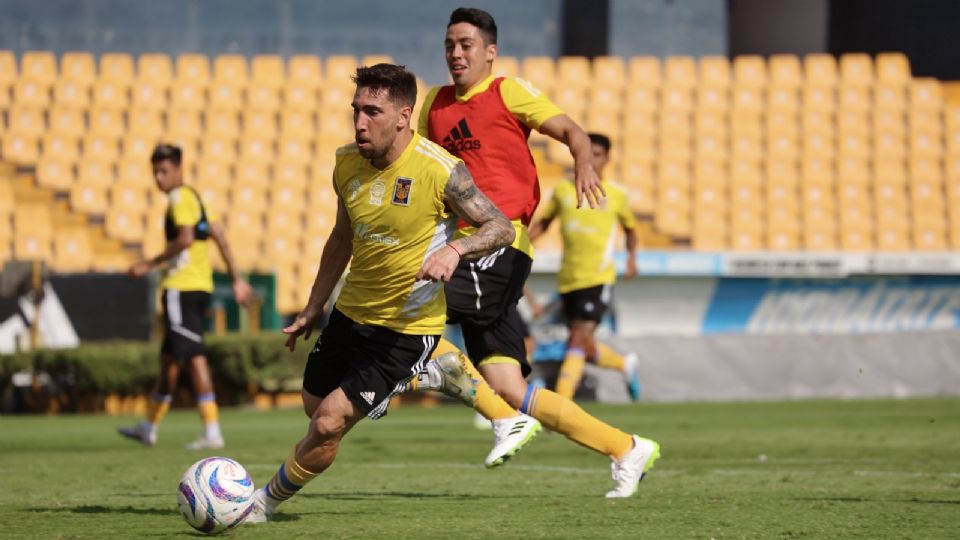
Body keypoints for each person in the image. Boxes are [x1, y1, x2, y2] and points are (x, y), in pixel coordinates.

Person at [406, 7, 659, 497]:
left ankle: (488, 413)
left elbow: (573, 132)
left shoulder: (508, 92)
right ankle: (626, 447)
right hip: (462, 245)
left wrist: (584, 164)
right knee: (507, 385)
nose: (456, 53)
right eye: (449, 45)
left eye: (466, 45)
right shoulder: (433, 104)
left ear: (490, 52)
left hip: (497, 241)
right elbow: (426, 173)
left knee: (407, 313)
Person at [246, 63, 515, 522]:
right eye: (356, 110)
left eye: (372, 111)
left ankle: (260, 504)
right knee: (314, 409)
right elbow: (340, 237)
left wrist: (456, 248)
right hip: (350, 315)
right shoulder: (346, 162)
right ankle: (415, 378)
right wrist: (314, 305)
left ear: (404, 116)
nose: (359, 122)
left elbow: (501, 227)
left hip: (407, 329)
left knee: (329, 423)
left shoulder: (441, 171)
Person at [118, 143, 253, 449]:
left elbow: (185, 239)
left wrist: (148, 264)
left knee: (194, 357)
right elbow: (219, 237)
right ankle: (148, 427)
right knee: (169, 362)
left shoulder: (179, 198)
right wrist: (236, 279)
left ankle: (212, 431)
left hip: (181, 287)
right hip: (199, 286)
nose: (158, 177)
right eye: (155, 171)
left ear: (179, 169)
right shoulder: (198, 198)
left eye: (164, 170)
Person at [528, 133, 642, 400]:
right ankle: (625, 365)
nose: (592, 159)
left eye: (598, 154)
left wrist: (632, 258)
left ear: (607, 159)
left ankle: (561, 404)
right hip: (569, 278)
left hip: (598, 277)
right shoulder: (563, 191)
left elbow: (631, 229)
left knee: (578, 340)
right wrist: (520, 242)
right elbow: (544, 224)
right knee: (582, 345)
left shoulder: (616, 195)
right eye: (588, 153)